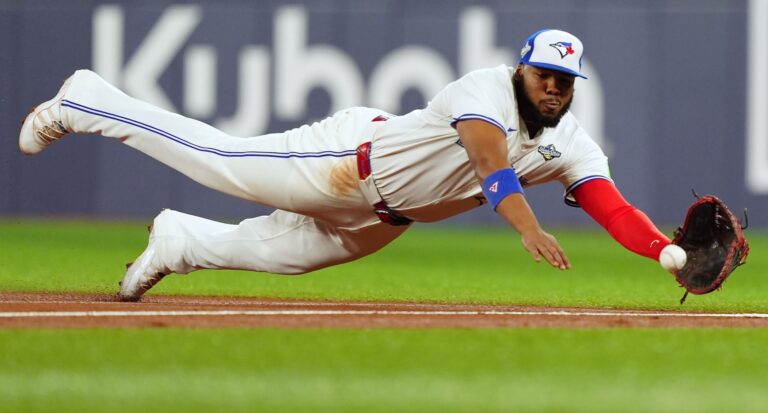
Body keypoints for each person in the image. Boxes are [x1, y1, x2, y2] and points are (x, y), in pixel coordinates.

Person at [19, 29, 686, 301]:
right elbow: (489, 161)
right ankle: (89, 101)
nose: (554, 89)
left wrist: (666, 252)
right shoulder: (485, 89)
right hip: (345, 162)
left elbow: (612, 207)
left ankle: (180, 242)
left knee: (280, 257)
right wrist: (526, 225)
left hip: (382, 219)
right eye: (544, 75)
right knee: (218, 158)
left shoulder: (571, 141)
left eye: (565, 82)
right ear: (522, 70)